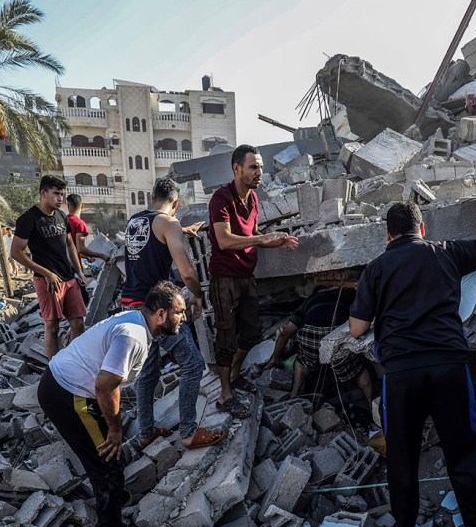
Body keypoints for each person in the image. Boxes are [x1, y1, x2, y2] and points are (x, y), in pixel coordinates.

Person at [349, 197, 476, 527]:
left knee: (402, 460)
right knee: (465, 457)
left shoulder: (375, 269)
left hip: (402, 376)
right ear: (422, 229)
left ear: (387, 234)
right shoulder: (447, 252)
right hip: (449, 370)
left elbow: (357, 327)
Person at [37, 280, 188, 527]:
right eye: (179, 312)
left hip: (66, 386)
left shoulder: (136, 322)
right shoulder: (133, 335)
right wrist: (116, 429)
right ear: (161, 314)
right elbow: (106, 385)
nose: (184, 318)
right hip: (68, 394)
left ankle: (113, 501)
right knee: (108, 461)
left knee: (109, 456)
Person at [122, 177, 222, 449]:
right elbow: (188, 273)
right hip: (158, 310)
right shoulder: (169, 224)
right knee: (192, 364)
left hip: (132, 306)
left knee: (148, 372)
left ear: (151, 198)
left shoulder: (135, 221)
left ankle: (145, 433)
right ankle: (189, 432)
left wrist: (179, 231)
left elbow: (151, 246)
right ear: (175, 204)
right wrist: (198, 297)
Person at [207, 144, 298, 416]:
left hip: (247, 276)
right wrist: (261, 239)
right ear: (237, 169)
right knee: (226, 337)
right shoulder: (221, 199)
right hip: (224, 277)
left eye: (260, 166)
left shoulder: (254, 199)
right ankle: (225, 395)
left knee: (251, 332)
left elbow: (254, 232)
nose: (260, 172)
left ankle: (234, 375)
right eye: (253, 167)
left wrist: (276, 241)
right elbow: (223, 240)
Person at [11, 175, 87, 358]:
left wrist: (79, 272)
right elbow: (16, 252)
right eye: (56, 194)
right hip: (48, 282)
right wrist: (46, 273)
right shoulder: (29, 219)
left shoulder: (62, 216)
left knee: (78, 323)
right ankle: (55, 367)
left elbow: (70, 244)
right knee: (52, 326)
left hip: (68, 278)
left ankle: (72, 361)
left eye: (62, 194)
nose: (60, 198)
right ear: (43, 193)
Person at [269, 285, 373, 408]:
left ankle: (295, 395)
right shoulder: (347, 293)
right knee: (357, 368)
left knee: (301, 361)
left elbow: (286, 332)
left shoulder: (310, 299)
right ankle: (373, 407)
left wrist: (274, 358)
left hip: (311, 334)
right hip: (337, 333)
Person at [66, 194, 112, 267]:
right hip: (72, 267)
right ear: (82, 206)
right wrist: (102, 256)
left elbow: (69, 247)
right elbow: (80, 249)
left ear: (68, 206)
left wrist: (86, 257)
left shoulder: (62, 221)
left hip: (61, 266)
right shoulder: (79, 223)